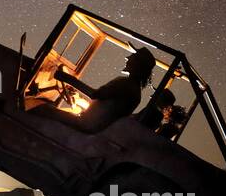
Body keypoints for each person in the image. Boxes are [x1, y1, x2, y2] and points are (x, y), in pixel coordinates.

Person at [30, 47, 158, 133]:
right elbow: (104, 104)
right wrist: (77, 97)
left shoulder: (125, 84)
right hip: (94, 127)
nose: (128, 58)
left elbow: (95, 94)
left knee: (41, 108)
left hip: (85, 125)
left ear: (138, 64)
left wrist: (66, 78)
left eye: (133, 57)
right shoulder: (134, 90)